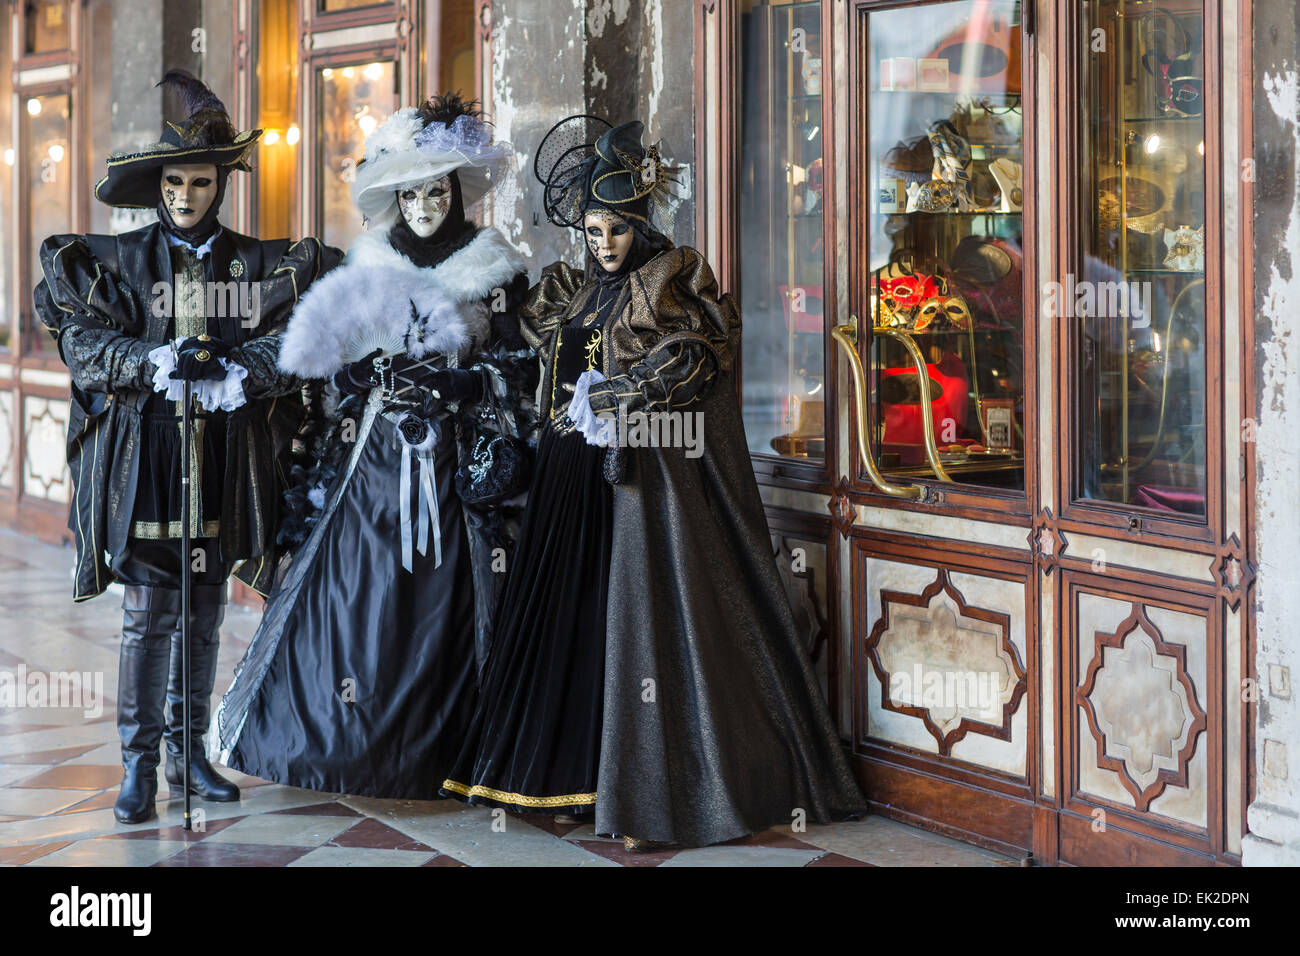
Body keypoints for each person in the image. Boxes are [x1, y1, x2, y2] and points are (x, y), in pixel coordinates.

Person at [440, 116, 866, 850]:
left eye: (617, 230)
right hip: (568, 480)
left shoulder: (669, 281)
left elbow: (694, 362)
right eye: (594, 230)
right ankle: (572, 777)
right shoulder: (575, 289)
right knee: (572, 623)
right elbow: (534, 347)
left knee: (633, 627)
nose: (603, 244)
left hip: (637, 489)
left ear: (641, 225)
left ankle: (648, 792)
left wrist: (625, 392)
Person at [33, 70, 341, 825]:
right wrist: (151, 362)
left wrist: (243, 370)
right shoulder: (121, 261)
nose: (183, 196)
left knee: (203, 610)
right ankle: (138, 765)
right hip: (149, 462)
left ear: (221, 184)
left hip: (223, 461)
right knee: (148, 615)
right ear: (157, 185)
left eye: (198, 183)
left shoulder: (258, 262)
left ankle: (189, 754)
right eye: (172, 183)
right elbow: (80, 341)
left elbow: (299, 340)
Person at [215, 94, 534, 799]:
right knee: (357, 600)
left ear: (456, 193)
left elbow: (521, 373)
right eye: (411, 192)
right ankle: (347, 750)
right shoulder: (366, 264)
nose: (423, 205)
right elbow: (324, 380)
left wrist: (461, 383)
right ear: (395, 197)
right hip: (370, 469)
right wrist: (361, 373)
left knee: (441, 606)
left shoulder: (497, 270)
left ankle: (439, 756)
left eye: (437, 190)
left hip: (452, 468)